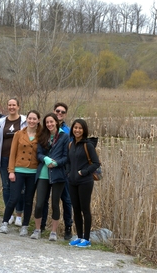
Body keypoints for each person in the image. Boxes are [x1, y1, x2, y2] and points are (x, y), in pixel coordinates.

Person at [0, 110, 41, 236]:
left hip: (33, 171)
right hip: (19, 170)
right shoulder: (18, 134)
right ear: (26, 119)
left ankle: (25, 225)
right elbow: (12, 153)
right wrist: (11, 171)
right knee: (14, 197)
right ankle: (5, 222)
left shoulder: (41, 135)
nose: (32, 121)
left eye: (34, 119)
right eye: (30, 118)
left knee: (28, 200)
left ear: (38, 120)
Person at [31, 113, 69, 241]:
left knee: (55, 203)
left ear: (56, 122)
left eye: (51, 122)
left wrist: (57, 163)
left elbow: (66, 157)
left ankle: (53, 232)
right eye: (47, 122)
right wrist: (46, 159)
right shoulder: (43, 135)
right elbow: (39, 154)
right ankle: (37, 229)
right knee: (40, 203)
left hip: (58, 174)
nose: (49, 124)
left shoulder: (64, 137)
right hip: (43, 173)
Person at [41, 102, 73, 240]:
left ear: (65, 114)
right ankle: (41, 225)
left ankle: (68, 227)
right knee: (45, 199)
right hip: (48, 169)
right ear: (54, 111)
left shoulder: (68, 131)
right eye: (57, 111)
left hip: (64, 171)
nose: (60, 113)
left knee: (66, 200)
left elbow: (71, 150)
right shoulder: (47, 128)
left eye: (63, 112)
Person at [0, 98, 26, 226]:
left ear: (18, 106)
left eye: (14, 105)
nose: (11, 107)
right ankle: (9, 214)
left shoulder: (24, 121)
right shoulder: (0, 122)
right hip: (4, 158)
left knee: (20, 188)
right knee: (6, 187)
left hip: (20, 160)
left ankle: (19, 215)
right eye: (9, 105)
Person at [67, 119, 100, 248]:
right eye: (75, 128)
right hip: (72, 181)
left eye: (80, 128)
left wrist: (84, 172)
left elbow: (96, 163)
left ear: (84, 130)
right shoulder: (71, 144)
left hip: (85, 181)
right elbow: (69, 161)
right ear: (72, 129)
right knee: (76, 209)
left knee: (85, 209)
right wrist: (68, 172)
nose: (77, 130)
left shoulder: (88, 145)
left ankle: (86, 239)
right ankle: (79, 237)